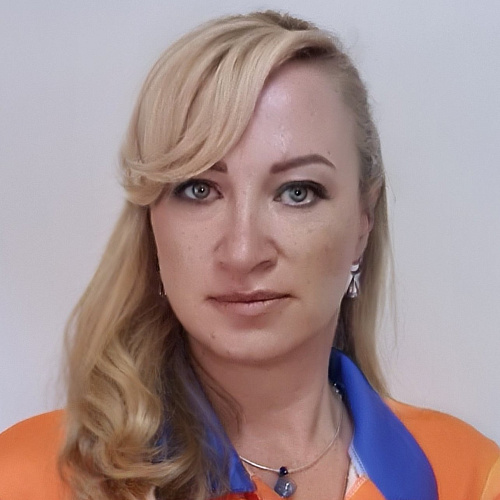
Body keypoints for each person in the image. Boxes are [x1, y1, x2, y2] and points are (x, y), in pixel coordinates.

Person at [0, 10, 498, 500]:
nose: (242, 252)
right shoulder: (27, 478)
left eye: (297, 192)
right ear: (151, 223)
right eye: (198, 189)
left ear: (362, 223)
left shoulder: (471, 477)